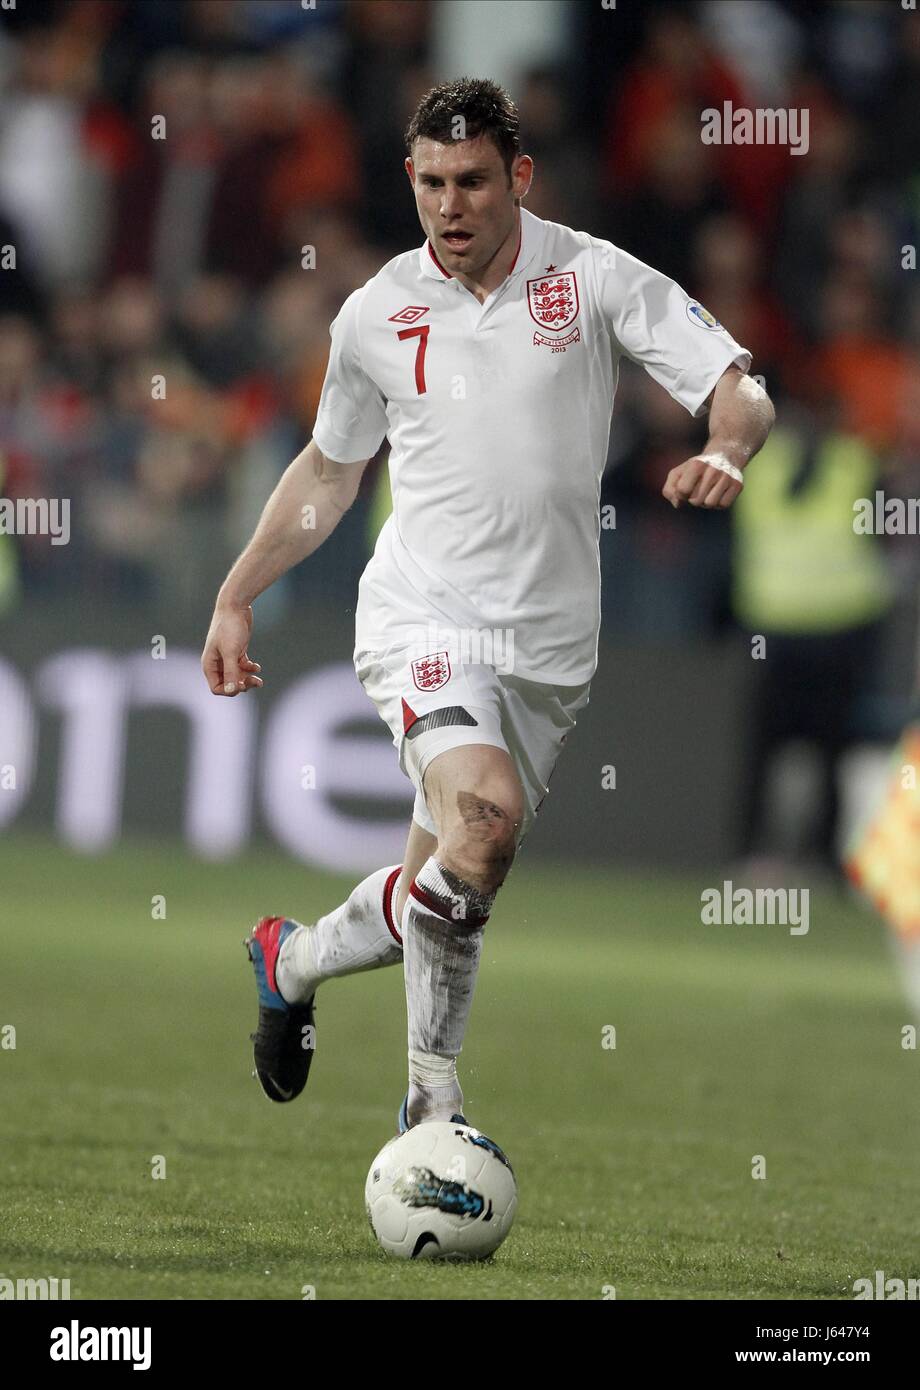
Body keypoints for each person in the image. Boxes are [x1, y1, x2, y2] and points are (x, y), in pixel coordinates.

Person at [200, 77, 774, 1133]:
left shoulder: (592, 278)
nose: (450, 206)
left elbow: (736, 382)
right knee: (485, 819)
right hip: (421, 618)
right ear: (409, 182)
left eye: (470, 181)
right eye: (429, 184)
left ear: (517, 177)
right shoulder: (375, 312)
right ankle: (431, 1109)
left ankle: (290, 959)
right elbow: (329, 473)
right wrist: (236, 594)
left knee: (447, 881)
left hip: (546, 654)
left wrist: (723, 449)